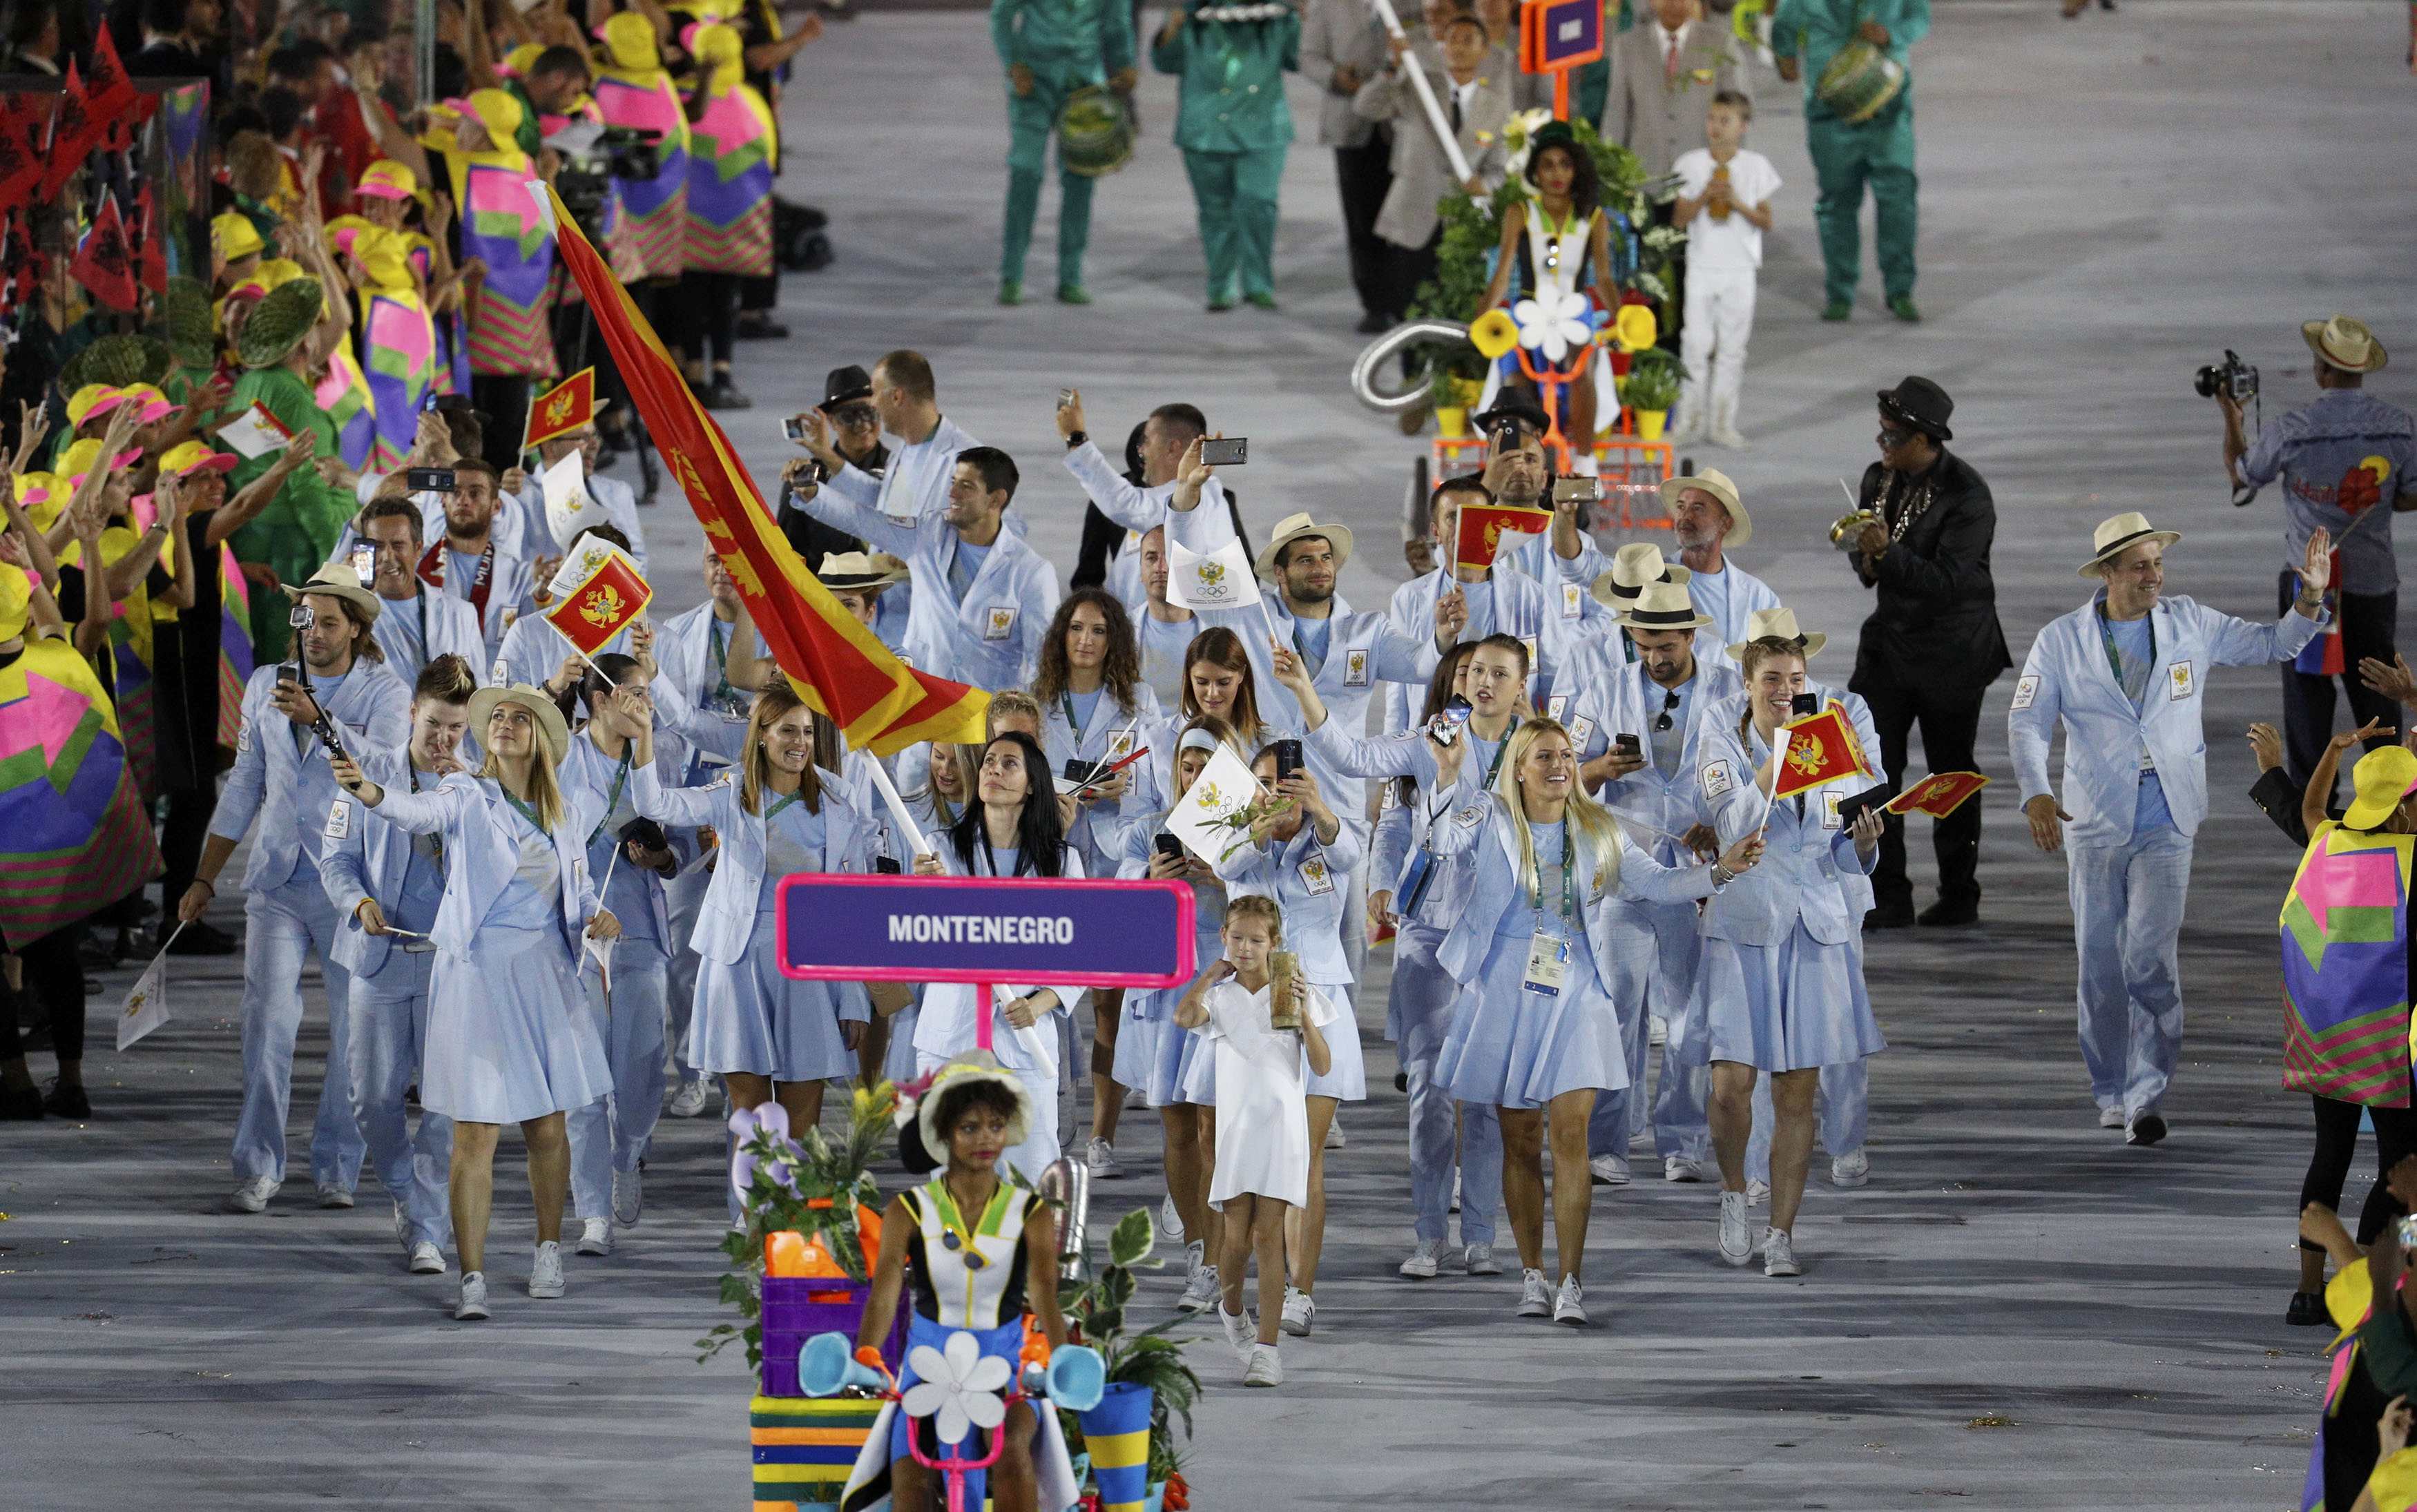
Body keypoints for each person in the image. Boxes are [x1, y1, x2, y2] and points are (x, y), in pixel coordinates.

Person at [2008, 513, 2333, 1145]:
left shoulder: (2190, 621)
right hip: (2094, 818)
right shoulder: (2060, 641)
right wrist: (2036, 794)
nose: (2154, 575)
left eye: (2158, 563)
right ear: (2108, 575)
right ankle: (2109, 1085)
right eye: (2140, 566)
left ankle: (2146, 1094)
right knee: (2100, 962)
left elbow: (2275, 643)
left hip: (2170, 814)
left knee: (2150, 957)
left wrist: (2312, 597)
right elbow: (2025, 724)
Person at [1428, 717, 1762, 1321]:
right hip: (1503, 985)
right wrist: (1449, 778)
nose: (1559, 765)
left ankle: (1571, 1281)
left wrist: (1721, 871)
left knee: (1571, 1135)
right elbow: (1444, 840)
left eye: (1565, 754)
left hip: (1576, 984)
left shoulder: (1599, 826)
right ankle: (1533, 1274)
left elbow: (1658, 883)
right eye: (1544, 757)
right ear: (1520, 768)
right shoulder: (1491, 819)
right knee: (1520, 1139)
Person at [327, 683, 618, 1320]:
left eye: (520, 718)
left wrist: (601, 916)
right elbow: (413, 812)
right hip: (478, 975)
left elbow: (580, 887)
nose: (506, 725)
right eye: (499, 718)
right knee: (475, 1132)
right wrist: (369, 793)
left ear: (541, 736)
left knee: (548, 1126)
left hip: (544, 975)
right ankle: (473, 1277)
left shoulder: (566, 809)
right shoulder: (465, 792)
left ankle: (548, 1249)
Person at [1281, 638, 1515, 1279]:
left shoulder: (1529, 746)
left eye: (1497, 673)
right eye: (1471, 671)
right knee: (1432, 1092)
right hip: (1429, 935)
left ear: (1521, 685)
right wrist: (1306, 690)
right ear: (1453, 679)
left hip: (1497, 938)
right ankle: (1429, 1235)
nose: (1482, 682)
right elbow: (1354, 760)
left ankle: (1485, 1236)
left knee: (1486, 1093)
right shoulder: (1425, 742)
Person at [182, 564, 411, 1212]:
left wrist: (321, 718)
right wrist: (205, 875)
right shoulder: (266, 685)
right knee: (266, 1020)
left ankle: (338, 1165)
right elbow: (247, 782)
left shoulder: (387, 692)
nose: (312, 632)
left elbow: (384, 769)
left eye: (328, 621)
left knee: (351, 1030)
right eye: (304, 618)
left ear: (356, 628)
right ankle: (258, 1165)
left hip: (354, 886)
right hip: (278, 879)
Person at [1695, 635, 1886, 1278]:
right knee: (1731, 1087)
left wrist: (1862, 846)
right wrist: (1780, 760)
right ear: (1747, 686)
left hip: (1814, 928)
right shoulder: (1722, 740)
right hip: (1746, 922)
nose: (1786, 691)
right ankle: (1731, 1194)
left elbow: (1836, 847)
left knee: (1798, 1091)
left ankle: (1780, 1232)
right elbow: (1731, 825)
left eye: (1796, 678)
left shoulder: (1832, 737)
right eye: (1772, 679)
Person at [630, 682, 874, 1158]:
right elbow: (656, 806)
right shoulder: (729, 790)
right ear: (761, 735)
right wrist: (643, 734)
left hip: (807, 968)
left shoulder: (839, 797)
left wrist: (854, 997)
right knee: (751, 1115)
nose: (799, 742)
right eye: (787, 730)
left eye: (806, 731)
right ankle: (752, 1221)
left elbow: (852, 903)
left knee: (802, 1119)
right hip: (737, 965)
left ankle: (793, 1225)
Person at [1551, 579, 1739, 1184]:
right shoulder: (1600, 693)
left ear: (1691, 636)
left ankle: (1681, 1141)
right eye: (1646, 643)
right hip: (1623, 874)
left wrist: (1718, 826)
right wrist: (1601, 768)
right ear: (1632, 636)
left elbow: (1740, 775)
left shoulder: (1730, 692)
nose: (1658, 656)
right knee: (1617, 1007)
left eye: (1668, 644)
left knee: (1688, 1014)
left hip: (1698, 878)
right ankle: (1610, 1141)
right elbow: (1562, 778)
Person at [848, 1056, 1077, 1512]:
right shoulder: (907, 1210)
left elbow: (1046, 1294)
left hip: (1006, 1367)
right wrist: (868, 1356)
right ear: (945, 1135)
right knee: (909, 1477)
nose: (986, 1138)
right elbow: (885, 1293)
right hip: (925, 1371)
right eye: (970, 1128)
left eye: (995, 1125)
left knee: (1012, 1447)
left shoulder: (1030, 1212)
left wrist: (1068, 1360)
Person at [318, 655, 476, 1275]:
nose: (443, 741)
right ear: (412, 712)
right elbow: (336, 859)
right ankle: (410, 1196)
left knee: (444, 1105)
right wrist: (356, 902)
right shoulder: (365, 777)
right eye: (435, 724)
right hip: (378, 960)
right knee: (371, 1101)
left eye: (457, 729)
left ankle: (427, 1230)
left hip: (448, 969)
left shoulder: (474, 785)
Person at [2224, 316, 2417, 796]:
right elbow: (2411, 494)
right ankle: (2394, 799)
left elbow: (2243, 476)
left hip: (2310, 587)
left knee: (2308, 697)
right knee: (2380, 690)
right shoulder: (2398, 427)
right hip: (2372, 583)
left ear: (2321, 369)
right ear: (2361, 369)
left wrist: (2233, 419)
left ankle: (2315, 815)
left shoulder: (2294, 430)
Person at [1845, 376, 2010, 929]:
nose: (1882, 447)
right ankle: (1887, 892)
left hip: (1952, 653)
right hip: (1891, 646)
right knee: (1873, 768)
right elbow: (1868, 557)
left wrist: (1886, 555)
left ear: (1925, 439)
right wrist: (1868, 559)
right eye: (1881, 434)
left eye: (1892, 437)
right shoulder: (1879, 478)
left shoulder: (1968, 496)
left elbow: (1947, 582)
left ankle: (1959, 893)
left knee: (1950, 773)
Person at [1213, 746, 1365, 1339]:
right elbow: (1226, 863)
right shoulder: (1239, 842)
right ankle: (1237, 1288)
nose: (1273, 791)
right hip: (1251, 1012)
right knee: (1252, 1157)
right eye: (1262, 783)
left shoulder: (1329, 837)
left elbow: (1349, 850)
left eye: (1283, 782)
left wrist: (1317, 810)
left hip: (1317, 1000)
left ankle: (1301, 1291)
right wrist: (1260, 820)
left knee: (1307, 1157)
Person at [2280, 737, 2417, 1326]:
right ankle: (2362, 1286)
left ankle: (2308, 1291)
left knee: (2330, 1153)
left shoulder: (2327, 843)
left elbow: (2311, 810)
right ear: (2405, 807)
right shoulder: (2412, 857)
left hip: (2326, 1035)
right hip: (2388, 1040)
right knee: (2399, 1165)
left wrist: (2331, 756)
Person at [1175, 894, 1335, 1386]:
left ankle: (1267, 1350)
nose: (1246, 948)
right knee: (1236, 1240)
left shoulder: (1293, 993)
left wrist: (1304, 1012)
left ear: (1275, 944)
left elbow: (1324, 1065)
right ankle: (1230, 1307)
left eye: (1257, 940)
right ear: (1224, 937)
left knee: (1268, 1238)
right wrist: (1209, 975)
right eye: (1237, 938)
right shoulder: (1219, 999)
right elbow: (1184, 1017)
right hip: (1237, 1132)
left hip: (1282, 1131)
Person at [910, 730, 1084, 1182]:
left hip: (1025, 1036)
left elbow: (1083, 954)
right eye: (989, 761)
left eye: (1010, 764)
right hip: (952, 1032)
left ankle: (1032, 1254)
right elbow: (916, 937)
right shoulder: (941, 850)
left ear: (1032, 785)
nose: (994, 770)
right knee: (950, 1170)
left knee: (1032, 1169)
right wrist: (919, 892)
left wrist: (1042, 1004)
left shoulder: (1063, 863)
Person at [1032, 588, 1162, 1177]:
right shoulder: (1037, 705)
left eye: (1099, 631)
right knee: (1049, 1005)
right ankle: (1055, 1115)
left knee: (1108, 1004)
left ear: (1116, 642)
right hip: (1050, 865)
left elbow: (1155, 786)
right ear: (1062, 636)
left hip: (1110, 864)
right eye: (1077, 628)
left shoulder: (1140, 707)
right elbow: (1013, 769)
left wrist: (1119, 792)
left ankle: (1103, 1137)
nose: (1086, 640)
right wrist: (1064, 791)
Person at [1116, 719, 1242, 1307]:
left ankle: (1218, 1259)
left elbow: (1270, 907)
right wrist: (1149, 880)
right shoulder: (1146, 831)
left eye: (1206, 767)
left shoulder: (1245, 832)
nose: (1194, 778)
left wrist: (1228, 873)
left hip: (1220, 990)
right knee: (1175, 1127)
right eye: (1187, 767)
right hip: (1167, 994)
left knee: (1210, 1126)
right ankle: (1197, 1246)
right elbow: (1115, 911)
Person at [560, 655, 684, 1252]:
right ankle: (591, 1215)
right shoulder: (561, 756)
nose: (645, 705)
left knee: (639, 1069)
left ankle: (628, 1152)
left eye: (648, 694)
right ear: (600, 701)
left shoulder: (660, 755)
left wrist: (659, 858)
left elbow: (682, 846)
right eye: (633, 694)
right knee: (585, 1081)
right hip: (578, 935)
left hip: (639, 933)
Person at [789, 445, 1057, 692]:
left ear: (996, 500)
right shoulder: (927, 534)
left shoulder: (1031, 572)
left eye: (966, 486)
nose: (952, 493)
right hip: (923, 704)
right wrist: (814, 494)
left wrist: (1025, 720)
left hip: (987, 719)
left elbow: (1043, 659)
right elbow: (864, 520)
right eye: (953, 482)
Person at [1770, 0, 1927, 322]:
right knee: (1837, 201)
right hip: (1831, 112)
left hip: (1888, 107)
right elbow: (1785, 20)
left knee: (1899, 199)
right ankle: (1840, 291)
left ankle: (1900, 290)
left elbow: (1920, 18)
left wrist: (1890, 34)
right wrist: (1784, 53)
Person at [1353, 12, 1509, 330]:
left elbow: (1500, 168)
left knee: (1455, 309)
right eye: (1452, 40)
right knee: (1409, 309)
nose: (1459, 48)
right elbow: (1365, 107)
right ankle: (1411, 372)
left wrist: (1486, 185)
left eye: (1468, 41)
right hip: (1413, 215)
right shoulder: (1418, 88)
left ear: (1484, 51)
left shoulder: (1495, 106)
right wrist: (1391, 67)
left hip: (1462, 223)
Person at [1474, 123, 1617, 465]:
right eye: (1548, 165)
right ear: (1535, 172)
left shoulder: (1593, 218)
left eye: (1565, 165)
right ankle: (1518, 460)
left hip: (1575, 310)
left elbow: (1604, 279)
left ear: (1576, 169)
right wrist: (1479, 319)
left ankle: (1584, 459)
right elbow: (1504, 271)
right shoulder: (1520, 213)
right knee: (1516, 377)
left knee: (1581, 366)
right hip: (1527, 311)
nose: (1557, 174)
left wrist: (1624, 318)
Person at [1153, 0, 1300, 312]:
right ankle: (1220, 285)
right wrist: (1174, 27)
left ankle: (1258, 282)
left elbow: (1298, 58)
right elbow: (1166, 63)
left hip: (1262, 126)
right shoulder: (1192, 14)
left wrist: (1304, 18)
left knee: (1259, 204)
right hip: (1205, 127)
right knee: (1214, 210)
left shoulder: (1277, 17)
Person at [991, 0, 1137, 305]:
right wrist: (1014, 63)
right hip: (1033, 84)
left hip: (1084, 84)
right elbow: (1002, 15)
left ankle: (1071, 275)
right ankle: (1012, 273)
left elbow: (1117, 24)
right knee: (1025, 170)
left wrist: (1125, 64)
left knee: (1080, 177)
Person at [1667, 91, 1778, 450]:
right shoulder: (1690, 163)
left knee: (1732, 348)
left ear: (1743, 127)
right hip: (1701, 265)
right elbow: (1679, 218)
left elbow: (1766, 220)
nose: (1716, 127)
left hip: (1740, 267)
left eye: (1726, 120)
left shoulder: (1756, 166)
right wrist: (1703, 197)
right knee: (1695, 345)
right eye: (1712, 119)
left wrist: (1735, 202)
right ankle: (1689, 420)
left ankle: (1722, 422)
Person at [679, 23, 777, 410]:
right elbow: (770, 161)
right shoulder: (753, 104)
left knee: (688, 297)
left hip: (688, 224)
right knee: (725, 298)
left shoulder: (681, 99)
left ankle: (694, 374)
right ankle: (722, 373)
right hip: (738, 223)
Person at [791, 351, 981, 532]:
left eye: (875, 393)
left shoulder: (971, 462)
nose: (872, 404)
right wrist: (816, 491)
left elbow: (1000, 540)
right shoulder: (904, 451)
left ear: (896, 397)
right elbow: (884, 506)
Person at [1301, 0, 1394, 333]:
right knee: (1361, 216)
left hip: (1405, 125)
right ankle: (1375, 304)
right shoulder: (1327, 5)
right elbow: (1307, 57)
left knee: (1406, 216)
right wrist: (1335, 77)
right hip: (1351, 122)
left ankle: (1406, 297)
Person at [1600, 0, 1746, 182]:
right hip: (1644, 178)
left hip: (1703, 179)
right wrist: (1609, 173)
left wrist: (1737, 171)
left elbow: (1737, 114)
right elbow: (1616, 114)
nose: (1675, 4)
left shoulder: (1721, 44)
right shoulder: (1627, 46)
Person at [358, 495, 486, 684]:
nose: (387, 556)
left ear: (418, 549)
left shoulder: (461, 613)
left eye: (398, 545)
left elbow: (480, 685)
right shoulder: (354, 617)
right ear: (363, 552)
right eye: (377, 546)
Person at [1661, 467, 1778, 666]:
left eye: (1698, 508)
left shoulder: (1758, 595)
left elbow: (1781, 661)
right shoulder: (1656, 579)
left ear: (1725, 524)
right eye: (1681, 507)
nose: (1685, 516)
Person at [775, 365, 886, 573]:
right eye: (849, 416)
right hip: (826, 599)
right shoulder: (807, 478)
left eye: (869, 412)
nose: (862, 424)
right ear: (832, 422)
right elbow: (787, 554)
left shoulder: (901, 470)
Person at [421, 458, 535, 659]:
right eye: (455, 492)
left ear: (496, 506)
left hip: (495, 686)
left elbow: (535, 641)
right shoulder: (417, 565)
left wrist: (544, 596)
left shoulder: (521, 576)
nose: (463, 500)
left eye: (475, 493)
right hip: (429, 683)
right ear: (443, 501)